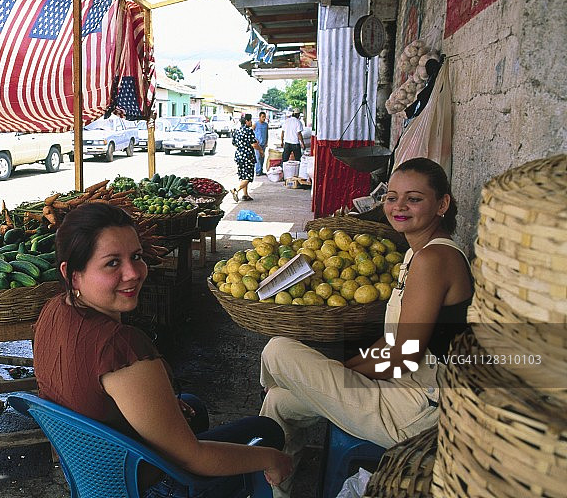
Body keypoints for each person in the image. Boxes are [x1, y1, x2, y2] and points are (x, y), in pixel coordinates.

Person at [34, 202, 291, 497]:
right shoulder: (121, 346)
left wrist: (158, 402)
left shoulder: (53, 310)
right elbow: (192, 457)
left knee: (195, 406)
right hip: (142, 485)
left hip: (93, 470)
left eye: (136, 257)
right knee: (268, 432)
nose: (133, 273)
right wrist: (273, 458)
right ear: (72, 274)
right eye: (112, 263)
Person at [258, 157, 472, 498]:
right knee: (280, 405)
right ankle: (274, 494)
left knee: (277, 349)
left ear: (442, 203)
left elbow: (402, 356)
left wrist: (331, 374)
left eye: (414, 198)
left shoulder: (434, 260)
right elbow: (392, 343)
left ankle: (281, 382)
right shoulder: (415, 254)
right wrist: (337, 373)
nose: (399, 206)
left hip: (417, 412)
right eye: (392, 196)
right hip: (403, 391)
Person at [230, 114, 258, 202]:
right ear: (246, 121)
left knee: (243, 176)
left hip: (239, 156)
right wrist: (261, 151)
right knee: (248, 177)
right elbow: (254, 144)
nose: (251, 122)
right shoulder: (249, 131)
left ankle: (245, 195)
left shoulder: (236, 131)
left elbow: (234, 143)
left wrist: (242, 146)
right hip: (248, 156)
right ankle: (236, 190)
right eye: (250, 120)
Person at [253, 112, 269, 176]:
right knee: (258, 157)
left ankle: (261, 170)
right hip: (257, 144)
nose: (264, 118)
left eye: (265, 117)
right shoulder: (256, 124)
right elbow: (251, 132)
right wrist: (255, 139)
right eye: (263, 117)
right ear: (259, 117)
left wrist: (267, 142)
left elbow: (267, 133)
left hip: (263, 143)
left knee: (262, 157)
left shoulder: (266, 125)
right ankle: (257, 171)